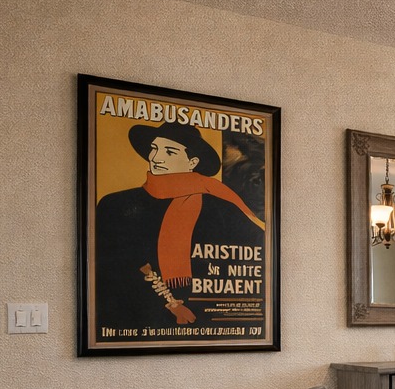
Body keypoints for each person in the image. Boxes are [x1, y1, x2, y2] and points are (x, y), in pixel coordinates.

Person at [93, 122, 266, 332]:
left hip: (203, 327)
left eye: (170, 152)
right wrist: (166, 304)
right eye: (154, 149)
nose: (156, 158)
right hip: (132, 322)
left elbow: (254, 262)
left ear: (192, 162)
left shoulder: (221, 208)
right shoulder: (116, 204)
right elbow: (107, 271)